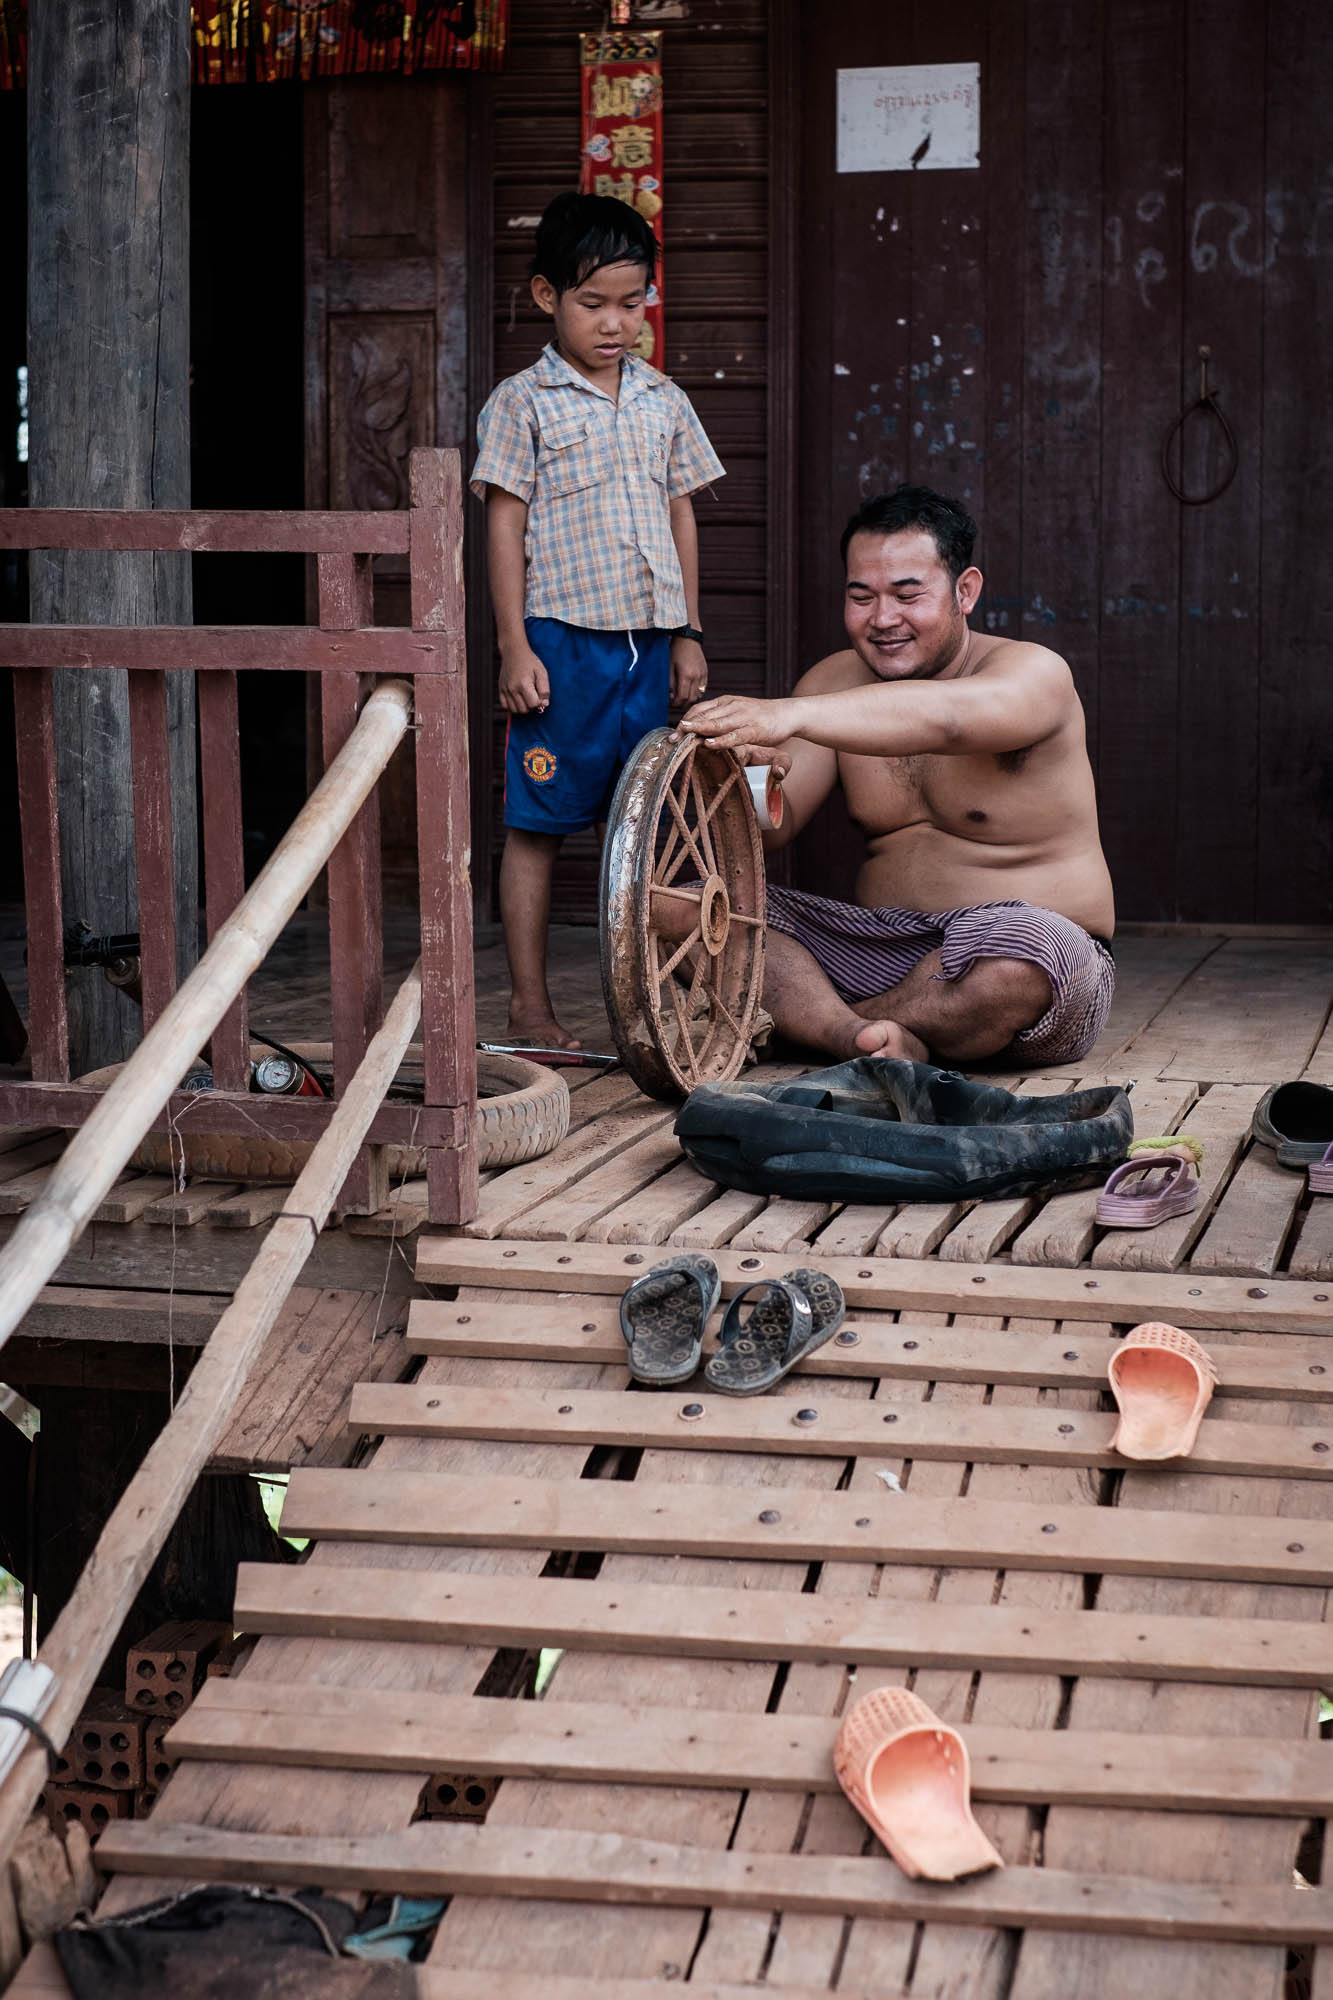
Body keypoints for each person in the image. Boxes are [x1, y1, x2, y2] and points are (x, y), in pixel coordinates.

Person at [676, 485, 1116, 1068]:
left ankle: (826, 1027)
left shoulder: (1032, 672)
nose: (883, 620)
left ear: (965, 591)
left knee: (1023, 956)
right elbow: (769, 832)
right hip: (874, 948)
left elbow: (951, 720)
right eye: (862, 597)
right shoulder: (833, 683)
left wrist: (788, 713)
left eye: (908, 595)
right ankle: (856, 1038)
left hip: (1024, 957)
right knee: (681, 908)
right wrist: (754, 778)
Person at [472, 191, 724, 1049]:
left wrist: (687, 631)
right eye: (593, 304)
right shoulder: (522, 402)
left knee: (649, 830)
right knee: (538, 828)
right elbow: (502, 523)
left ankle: (647, 1003)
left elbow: (682, 513)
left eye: (631, 301)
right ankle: (530, 1007)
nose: (615, 323)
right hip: (559, 646)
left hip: (648, 647)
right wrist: (513, 645)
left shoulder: (664, 400)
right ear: (546, 297)